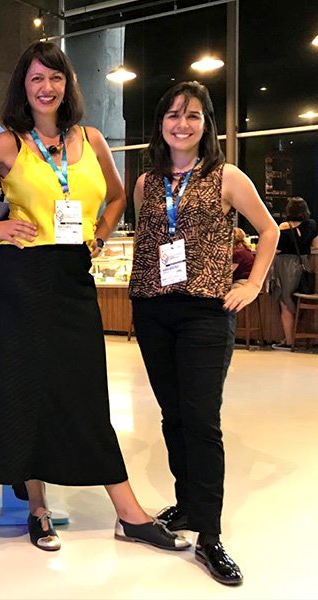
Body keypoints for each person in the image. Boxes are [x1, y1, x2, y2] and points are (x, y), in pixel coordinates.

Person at [0, 40, 188, 553]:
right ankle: (38, 507)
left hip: (72, 278)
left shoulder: (91, 139)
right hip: (20, 280)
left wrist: (101, 235)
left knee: (84, 392)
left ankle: (128, 514)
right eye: (36, 79)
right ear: (23, 89)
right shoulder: (9, 144)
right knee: (23, 390)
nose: (46, 87)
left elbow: (117, 196)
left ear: (67, 84)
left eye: (54, 77)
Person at [128, 81, 279, 585]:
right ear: (161, 123)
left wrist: (252, 283)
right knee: (172, 415)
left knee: (200, 419)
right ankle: (187, 504)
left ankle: (209, 535)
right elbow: (149, 239)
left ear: (206, 123)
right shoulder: (147, 182)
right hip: (153, 309)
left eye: (193, 115)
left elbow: (269, 229)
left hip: (206, 312)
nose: (182, 124)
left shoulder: (226, 176)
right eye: (173, 114)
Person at [269, 197, 317, 350]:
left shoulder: (284, 226)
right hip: (304, 264)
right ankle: (297, 337)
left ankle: (289, 340)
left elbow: (276, 248)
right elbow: (316, 246)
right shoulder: (312, 225)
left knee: (286, 302)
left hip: (285, 266)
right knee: (298, 300)